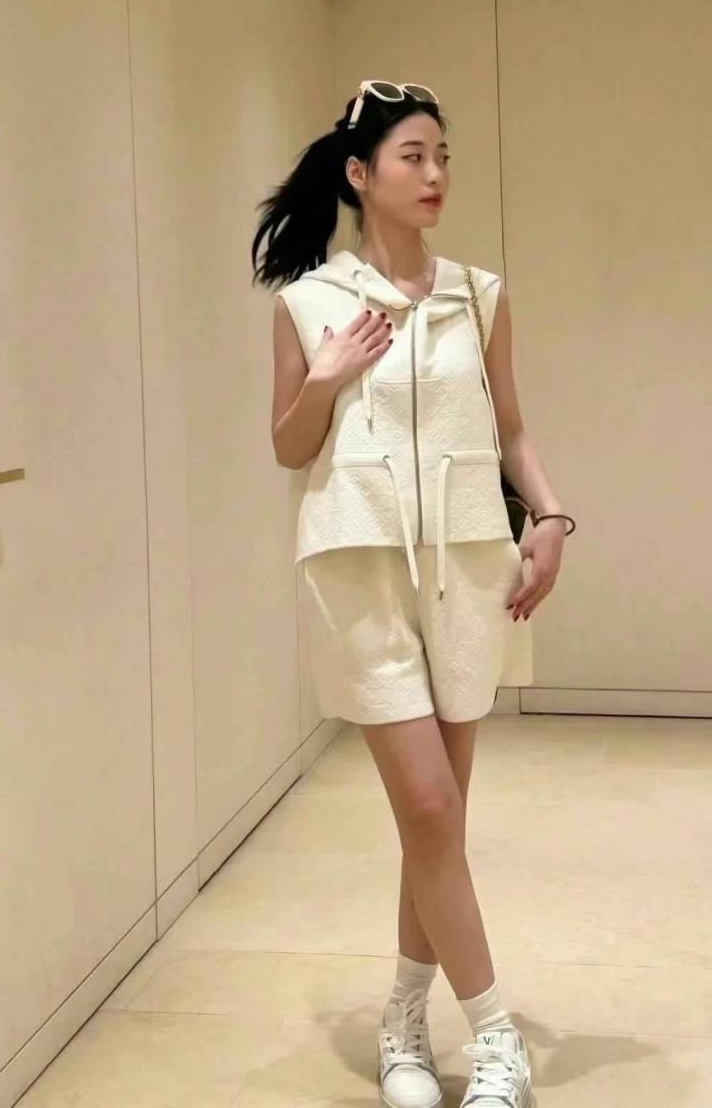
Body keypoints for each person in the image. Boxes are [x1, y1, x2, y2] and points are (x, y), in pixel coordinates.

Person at [250, 80, 575, 1108]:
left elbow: (510, 426)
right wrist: (327, 375)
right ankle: (497, 1037)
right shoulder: (308, 303)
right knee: (430, 805)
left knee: (438, 823)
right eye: (413, 157)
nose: (434, 176)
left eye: (443, 158)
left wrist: (551, 517)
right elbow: (288, 447)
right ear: (360, 173)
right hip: (360, 568)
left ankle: (402, 1018)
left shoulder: (478, 294)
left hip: (470, 565)